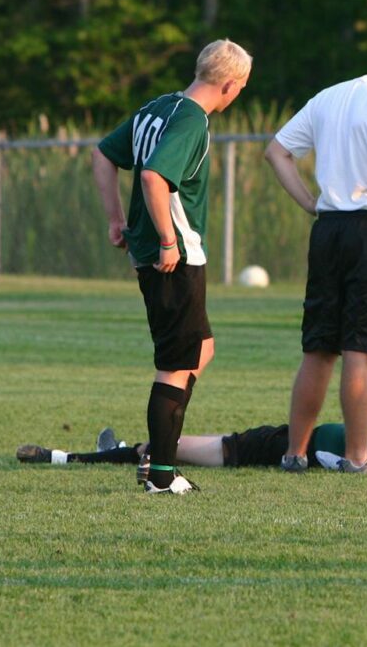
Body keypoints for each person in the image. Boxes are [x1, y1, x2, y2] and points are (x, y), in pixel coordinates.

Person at [264, 37, 367, 474]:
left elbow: (277, 151)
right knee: (360, 350)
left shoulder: (329, 97)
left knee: (319, 348)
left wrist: (309, 202)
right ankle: (357, 459)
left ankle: (294, 452)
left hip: (328, 231)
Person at [91, 39, 252, 495]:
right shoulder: (192, 120)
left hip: (156, 248)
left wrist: (116, 221)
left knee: (200, 349)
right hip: (173, 255)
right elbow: (152, 176)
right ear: (228, 85)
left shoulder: (159, 107)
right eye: (240, 86)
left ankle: (162, 450)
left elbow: (102, 154)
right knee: (176, 363)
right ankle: (160, 473)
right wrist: (166, 239)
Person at [15, 388, 367, 473]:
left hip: (269, 452)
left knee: (158, 449)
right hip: (272, 441)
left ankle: (74, 456)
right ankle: (76, 456)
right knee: (158, 448)